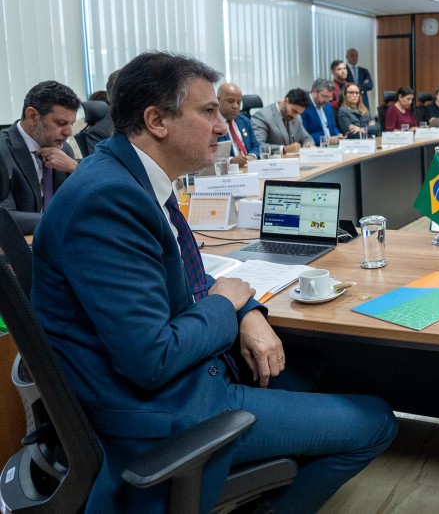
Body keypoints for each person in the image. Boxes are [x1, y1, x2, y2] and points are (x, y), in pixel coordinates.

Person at [31, 51, 397, 513]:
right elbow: (152, 358)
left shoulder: (129, 177)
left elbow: (187, 273)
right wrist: (227, 306)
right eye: (208, 112)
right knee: (377, 420)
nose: (222, 127)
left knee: (310, 363)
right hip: (166, 412)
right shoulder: (107, 202)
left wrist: (246, 311)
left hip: (182, 379)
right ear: (157, 121)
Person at [0, 80, 80, 234]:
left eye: (71, 124)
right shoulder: (2, 152)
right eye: (61, 123)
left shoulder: (64, 150)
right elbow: (5, 217)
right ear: (32, 116)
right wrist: (64, 220)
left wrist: (75, 169)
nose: (69, 132)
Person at [251, 88, 315, 153]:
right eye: (294, 111)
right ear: (286, 101)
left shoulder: (297, 118)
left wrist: (308, 144)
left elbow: (307, 138)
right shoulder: (262, 116)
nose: (295, 116)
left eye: (298, 113)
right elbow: (259, 145)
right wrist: (283, 149)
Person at [216, 82, 259, 166]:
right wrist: (231, 161)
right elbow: (209, 155)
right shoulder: (211, 124)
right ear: (218, 101)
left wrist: (251, 156)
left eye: (239, 102)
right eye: (231, 101)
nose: (235, 106)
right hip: (227, 170)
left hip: (248, 167)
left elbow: (256, 146)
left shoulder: (245, 121)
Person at [301, 79, 343, 146]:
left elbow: (332, 127)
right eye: (324, 96)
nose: (327, 100)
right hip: (316, 147)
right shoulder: (303, 106)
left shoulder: (327, 105)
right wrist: (326, 140)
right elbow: (304, 135)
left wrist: (338, 135)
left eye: (330, 97)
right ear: (314, 91)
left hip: (332, 145)